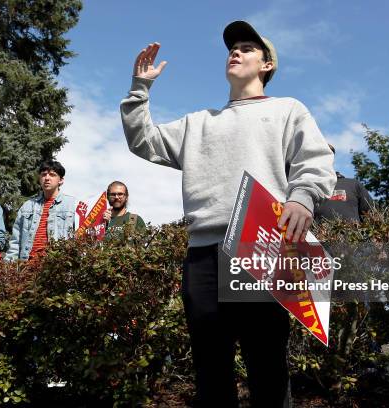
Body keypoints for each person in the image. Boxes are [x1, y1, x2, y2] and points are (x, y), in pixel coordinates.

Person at [120, 20, 335, 408]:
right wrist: (140, 90)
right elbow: (143, 141)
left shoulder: (287, 110)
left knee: (267, 367)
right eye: (232, 48)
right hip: (203, 256)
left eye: (248, 48)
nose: (235, 52)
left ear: (267, 65)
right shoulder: (198, 122)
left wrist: (302, 197)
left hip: (262, 249)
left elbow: (315, 161)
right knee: (210, 370)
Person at [5, 161, 75, 261]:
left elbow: (86, 231)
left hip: (57, 267)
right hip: (28, 267)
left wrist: (104, 219)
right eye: (43, 174)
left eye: (52, 175)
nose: (47, 178)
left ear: (61, 180)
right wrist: (9, 267)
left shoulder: (72, 205)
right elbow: (15, 241)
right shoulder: (27, 206)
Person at [315, 144, 373, 222]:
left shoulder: (353, 184)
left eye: (327, 154)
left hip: (353, 233)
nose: (324, 159)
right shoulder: (307, 188)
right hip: (318, 233)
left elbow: (372, 216)